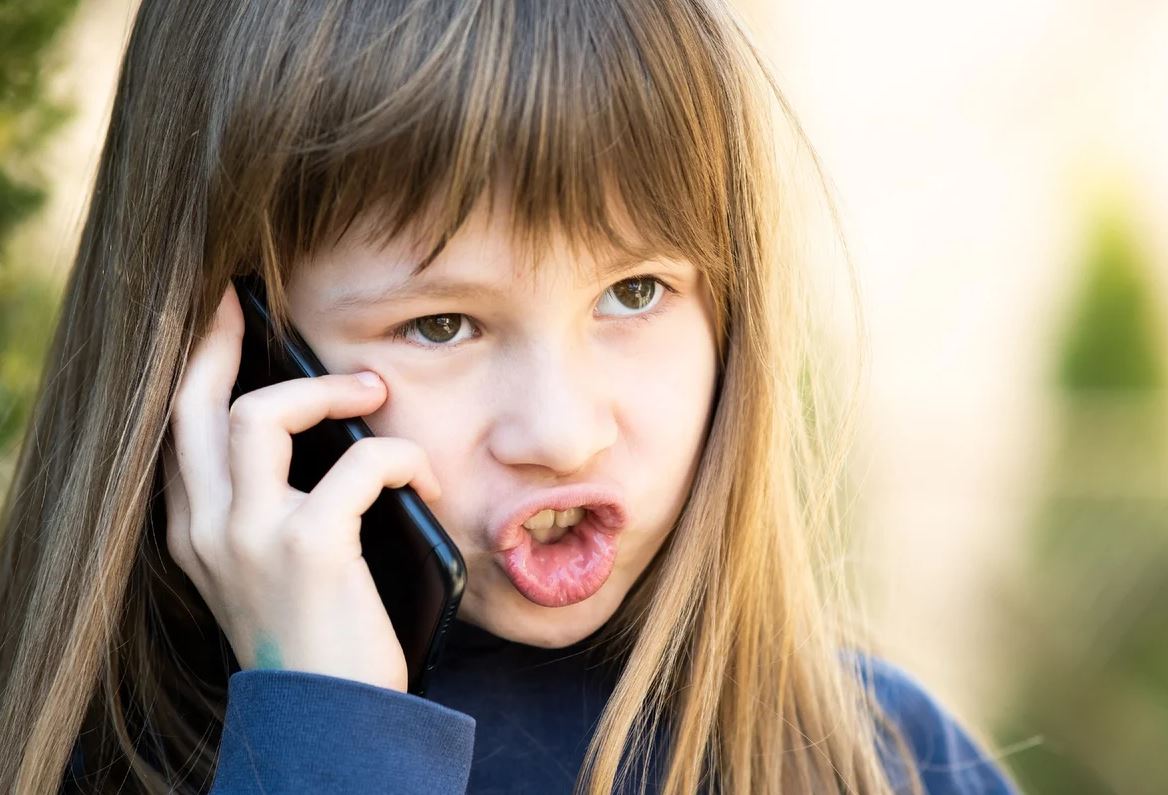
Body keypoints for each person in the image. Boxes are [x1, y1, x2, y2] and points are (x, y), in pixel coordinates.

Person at [0, 1, 1025, 793]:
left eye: (635, 292)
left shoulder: (877, 757)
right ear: (234, 354)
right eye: (441, 324)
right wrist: (328, 732)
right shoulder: (79, 752)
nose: (565, 434)